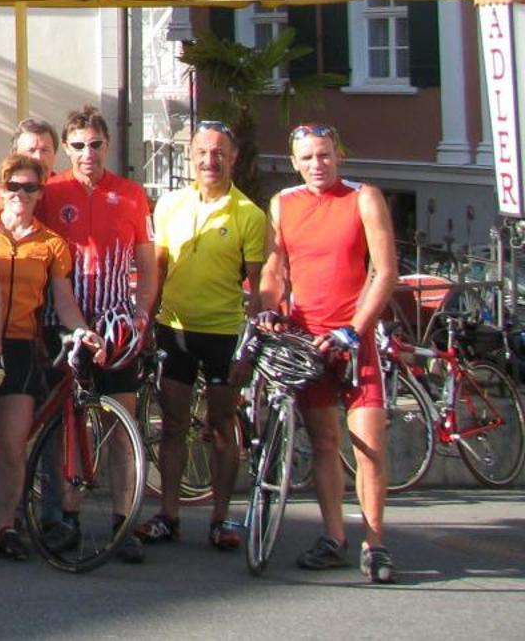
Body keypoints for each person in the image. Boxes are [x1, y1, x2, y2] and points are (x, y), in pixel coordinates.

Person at [259, 122, 399, 583]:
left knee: (369, 448)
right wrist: (270, 309)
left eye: (324, 155)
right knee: (324, 443)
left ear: (337, 155)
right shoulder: (283, 204)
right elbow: (275, 268)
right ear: (294, 162)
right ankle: (334, 537)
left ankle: (375, 543)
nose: (317, 165)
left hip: (353, 341)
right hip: (307, 340)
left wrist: (356, 330)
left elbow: (385, 272)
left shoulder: (364, 197)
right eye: (308, 158)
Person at [136, 120, 266, 552]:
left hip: (223, 334)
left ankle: (221, 517)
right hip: (175, 329)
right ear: (190, 157)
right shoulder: (170, 204)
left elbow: (258, 289)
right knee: (173, 426)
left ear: (233, 158)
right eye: (201, 153)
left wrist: (249, 346)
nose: (209, 161)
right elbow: (157, 270)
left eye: (218, 153)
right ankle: (168, 515)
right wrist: (145, 324)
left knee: (220, 426)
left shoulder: (248, 214)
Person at [39, 106, 156, 563]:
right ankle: (65, 515)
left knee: (120, 426)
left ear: (109, 146)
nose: (89, 153)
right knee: (64, 423)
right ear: (66, 148)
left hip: (115, 324)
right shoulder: (50, 191)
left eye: (97, 144)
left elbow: (147, 264)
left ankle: (123, 519)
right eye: (80, 145)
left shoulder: (130, 195)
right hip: (61, 324)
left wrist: (142, 315)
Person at [0, 149, 95, 560]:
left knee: (11, 445)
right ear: (0, 190)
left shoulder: (52, 244)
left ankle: (7, 523)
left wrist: (81, 331)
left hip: (21, 347)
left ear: (41, 192)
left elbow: (63, 300)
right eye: (13, 187)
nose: (21, 194)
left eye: (30, 187)